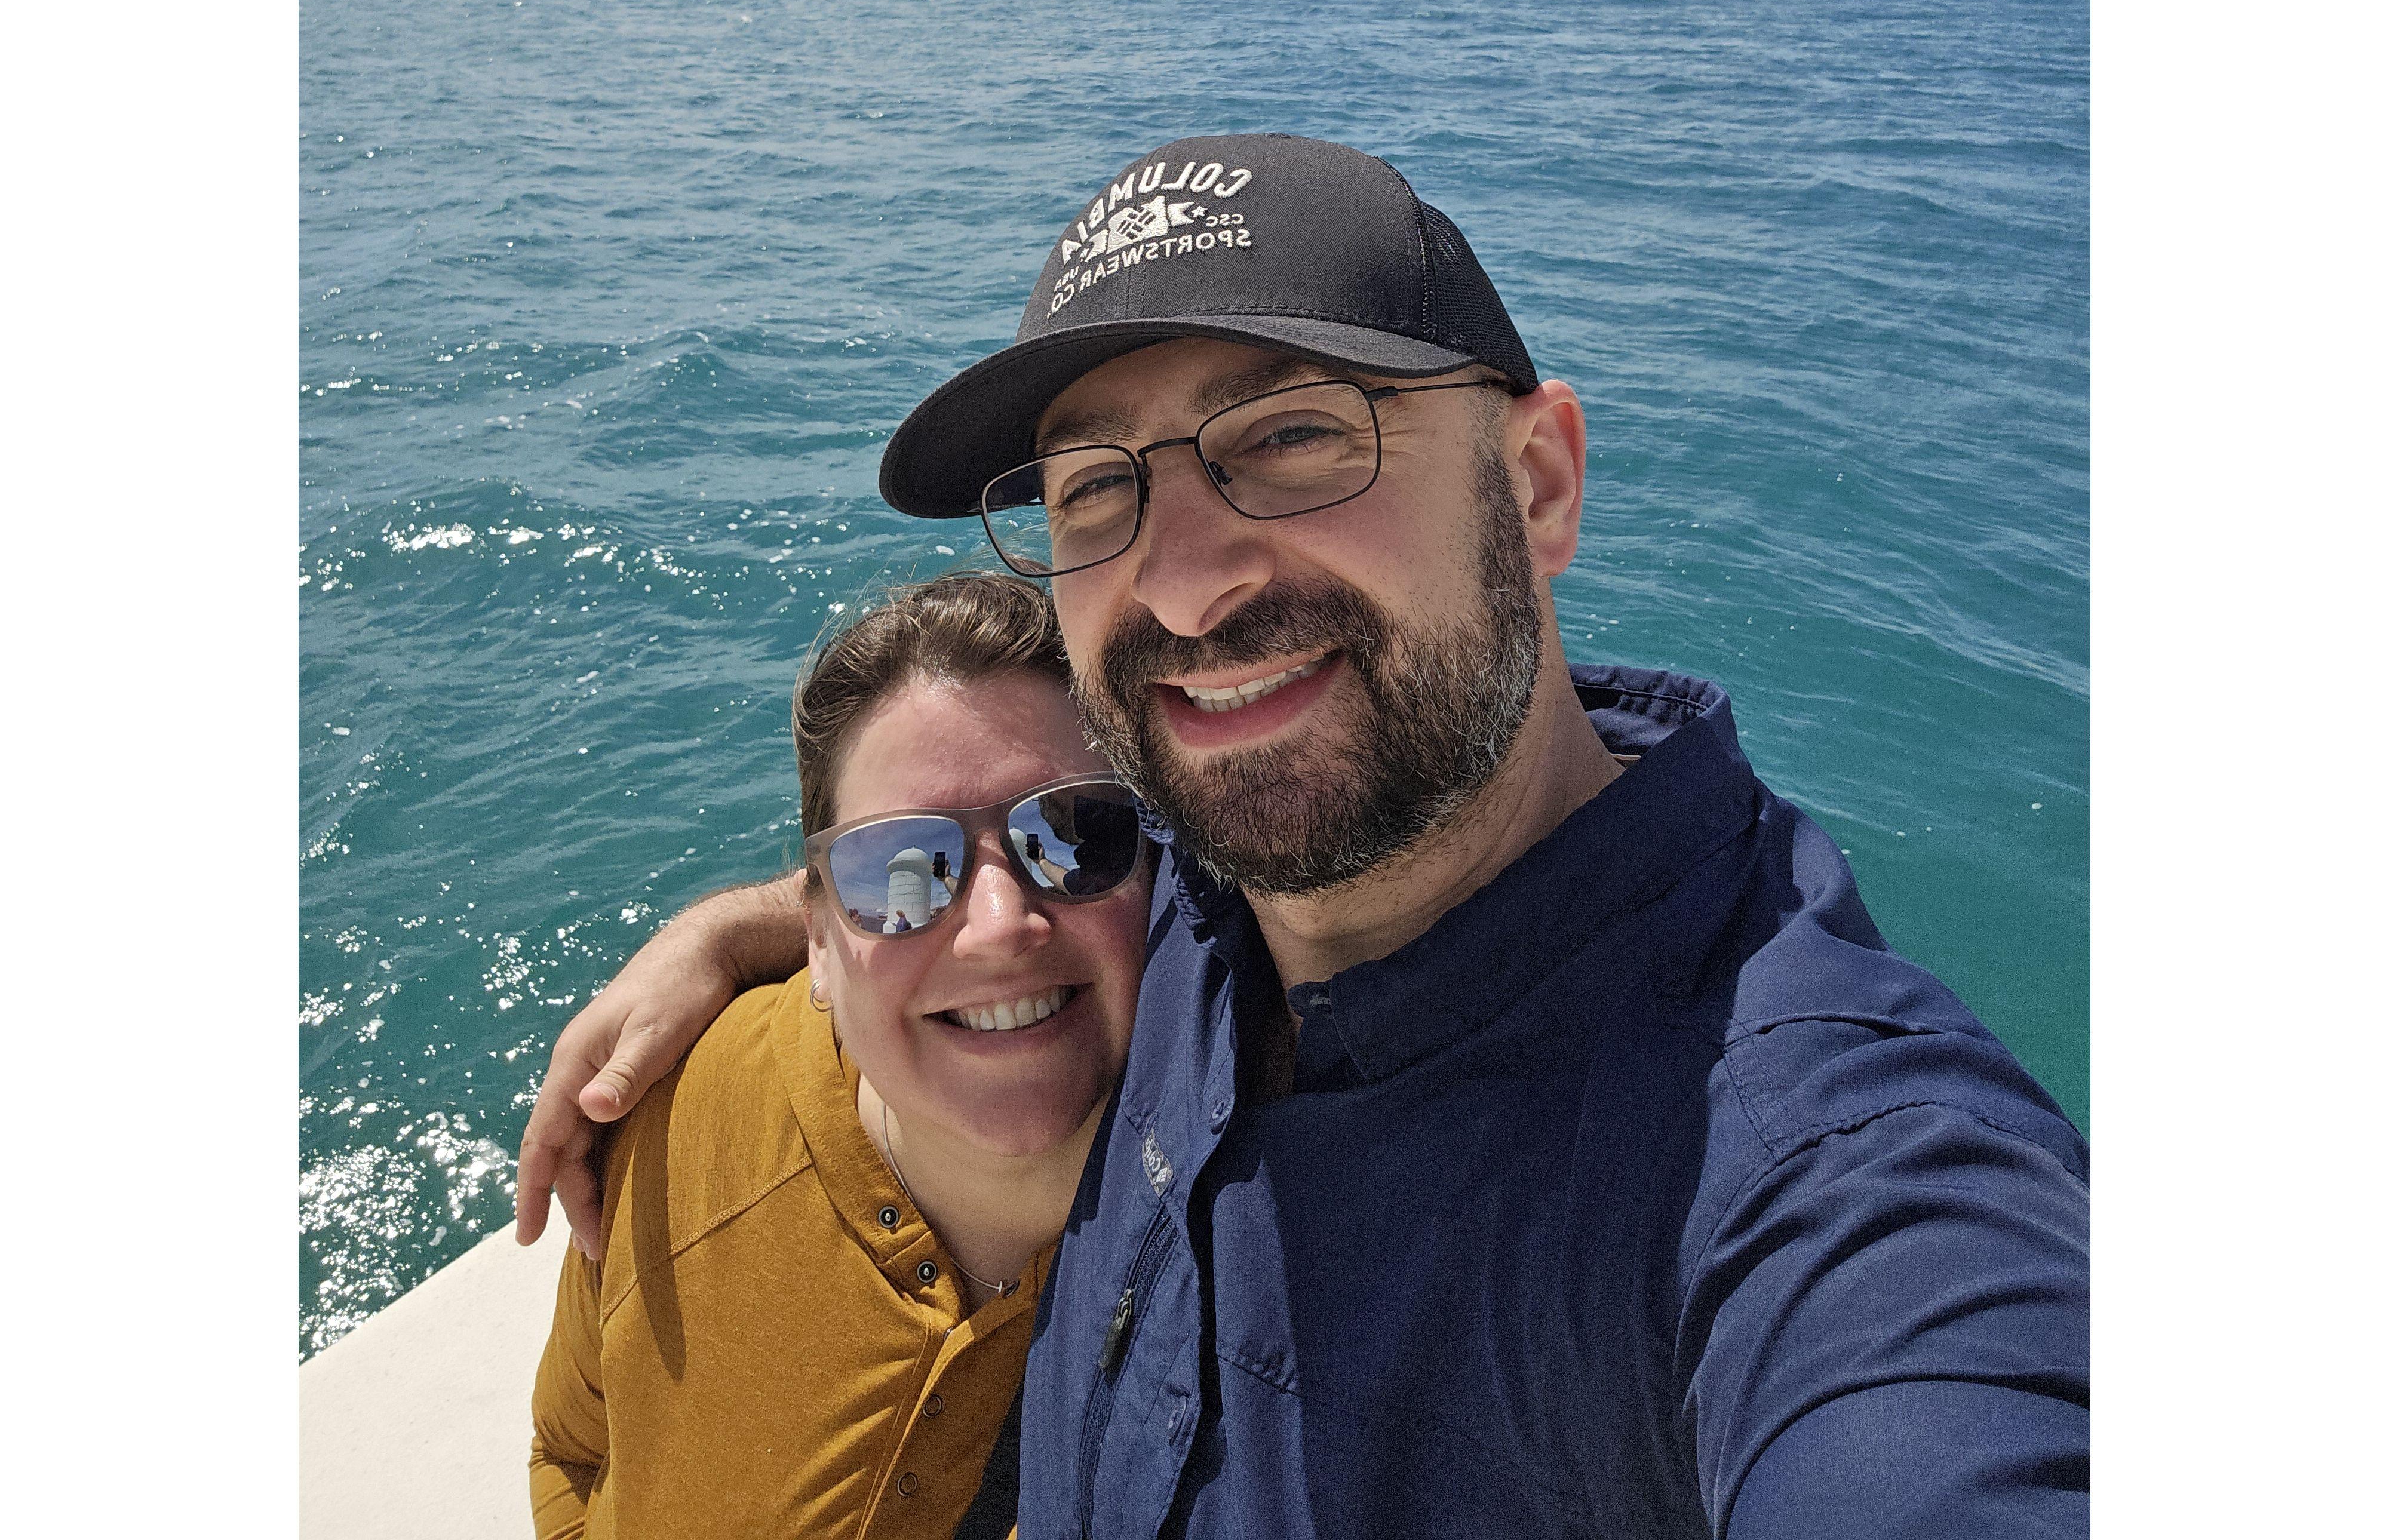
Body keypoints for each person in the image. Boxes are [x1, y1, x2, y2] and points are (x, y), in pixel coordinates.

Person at [518, 133, 2090, 1538]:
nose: (1186, 581)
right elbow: (1000, 881)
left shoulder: (1821, 1181)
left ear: (1537, 484)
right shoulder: (1197, 889)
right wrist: (749, 926)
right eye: (1094, 488)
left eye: (1288, 436)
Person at [526, 571, 1153, 1538]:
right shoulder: (680, 1114)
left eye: (1074, 837)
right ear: (816, 937)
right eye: (901, 871)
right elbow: (573, 1451)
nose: (998, 925)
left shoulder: (1253, 1262)